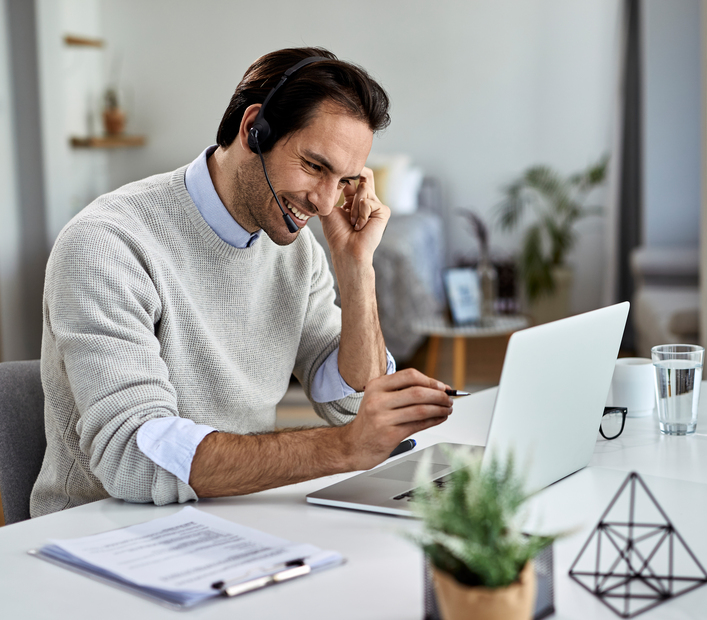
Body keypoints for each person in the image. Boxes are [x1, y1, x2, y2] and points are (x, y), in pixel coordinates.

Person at [31, 47, 453, 517]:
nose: (326, 203)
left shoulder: (296, 249)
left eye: (344, 180)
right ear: (255, 128)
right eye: (315, 167)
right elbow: (135, 455)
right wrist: (342, 449)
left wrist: (356, 269)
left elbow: (354, 405)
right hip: (100, 531)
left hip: (234, 511)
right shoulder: (107, 245)